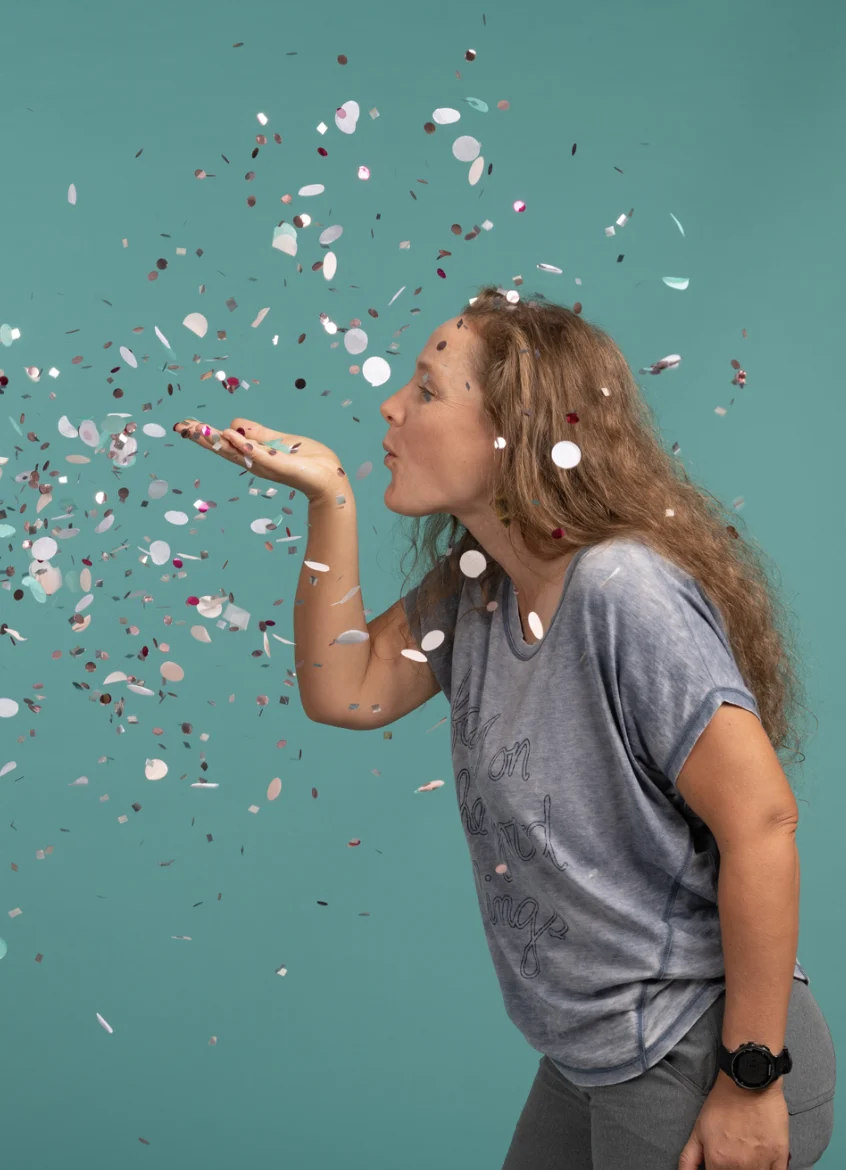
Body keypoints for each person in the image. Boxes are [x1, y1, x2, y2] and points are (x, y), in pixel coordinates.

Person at [174, 286, 836, 1168]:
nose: (391, 405)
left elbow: (762, 824)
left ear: (512, 428)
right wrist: (329, 496)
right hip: (589, 1050)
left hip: (696, 1042)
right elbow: (347, 689)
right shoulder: (478, 588)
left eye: (429, 388)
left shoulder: (623, 594)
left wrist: (751, 1079)